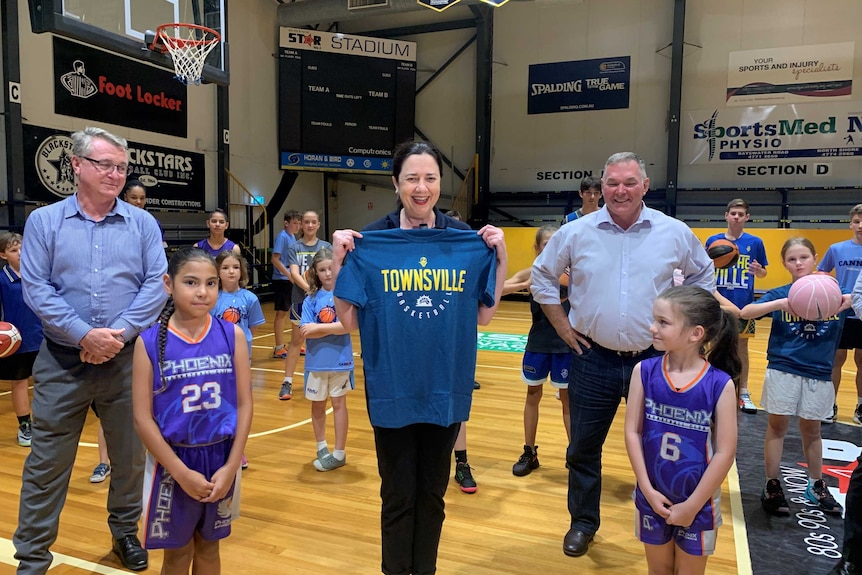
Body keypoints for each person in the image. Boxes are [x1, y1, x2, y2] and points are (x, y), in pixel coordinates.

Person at [331, 139, 507, 575]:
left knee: (432, 494)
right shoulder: (369, 242)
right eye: (412, 178)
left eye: (430, 178)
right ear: (396, 184)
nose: (421, 187)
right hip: (392, 390)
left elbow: (485, 316)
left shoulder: (465, 241)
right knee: (397, 495)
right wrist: (338, 258)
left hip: (444, 390)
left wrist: (500, 257)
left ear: (440, 185)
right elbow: (348, 321)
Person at [530, 151, 716, 558]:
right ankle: (582, 522)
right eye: (612, 183)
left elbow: (704, 274)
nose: (620, 190)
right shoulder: (577, 232)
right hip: (591, 357)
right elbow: (542, 276)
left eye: (629, 182)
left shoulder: (674, 232)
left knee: (660, 446)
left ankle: (663, 516)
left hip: (653, 363)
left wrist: (682, 329)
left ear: (645, 186)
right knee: (582, 447)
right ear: (601, 188)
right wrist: (562, 326)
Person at [16, 126, 168, 573]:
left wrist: (116, 335)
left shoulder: (142, 223)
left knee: (129, 458)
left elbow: (155, 285)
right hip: (62, 363)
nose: (115, 174)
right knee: (46, 466)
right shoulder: (44, 221)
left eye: (121, 167)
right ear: (77, 165)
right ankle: (32, 558)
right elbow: (36, 288)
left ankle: (125, 534)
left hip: (125, 362)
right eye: (105, 164)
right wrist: (84, 334)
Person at [132, 247, 252, 575]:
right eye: (191, 282)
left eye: (211, 283)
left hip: (220, 459)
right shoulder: (148, 343)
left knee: (210, 548)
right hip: (173, 462)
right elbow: (143, 418)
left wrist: (232, 465)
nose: (203, 292)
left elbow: (244, 404)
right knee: (177, 554)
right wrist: (181, 473)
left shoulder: (232, 335)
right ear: (168, 284)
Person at [624, 286, 739, 575]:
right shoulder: (644, 371)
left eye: (663, 322)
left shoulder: (720, 384)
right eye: (654, 319)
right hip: (653, 496)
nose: (653, 328)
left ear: (695, 333)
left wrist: (692, 506)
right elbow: (632, 433)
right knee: (658, 570)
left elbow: (725, 453)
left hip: (697, 502)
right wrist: (646, 489)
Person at [740, 237, 848, 517]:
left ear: (815, 258)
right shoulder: (782, 292)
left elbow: (855, 300)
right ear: (784, 263)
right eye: (791, 259)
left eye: (804, 257)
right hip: (783, 368)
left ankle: (816, 486)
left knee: (813, 431)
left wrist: (846, 302)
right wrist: (781, 304)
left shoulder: (834, 291)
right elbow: (745, 312)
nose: (798, 263)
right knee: (777, 427)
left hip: (819, 371)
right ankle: (772, 485)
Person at [506, 225, 572, 477]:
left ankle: (574, 453)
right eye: (545, 243)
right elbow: (497, 291)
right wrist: (525, 283)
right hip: (538, 344)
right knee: (532, 394)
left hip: (566, 345)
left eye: (555, 243)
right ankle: (529, 452)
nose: (550, 247)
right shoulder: (531, 272)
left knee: (568, 400)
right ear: (536, 247)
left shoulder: (571, 274)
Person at [706, 198, 768, 415]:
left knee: (742, 349)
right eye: (733, 213)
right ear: (726, 215)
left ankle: (743, 392)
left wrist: (760, 272)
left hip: (744, 305)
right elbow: (704, 271)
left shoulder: (756, 242)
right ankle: (710, 388)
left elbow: (764, 272)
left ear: (747, 218)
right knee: (713, 346)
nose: (736, 217)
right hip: (718, 305)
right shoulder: (713, 241)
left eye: (741, 214)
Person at [299, 247, 354, 471]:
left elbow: (348, 326)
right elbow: (305, 331)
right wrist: (333, 328)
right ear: (315, 273)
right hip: (316, 362)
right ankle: (321, 448)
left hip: (341, 361)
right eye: (322, 270)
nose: (328, 273)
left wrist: (319, 327)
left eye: (331, 268)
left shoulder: (344, 296)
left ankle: (339, 453)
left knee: (339, 404)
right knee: (318, 406)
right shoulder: (311, 299)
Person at [444, 209, 479, 493]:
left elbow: (485, 312)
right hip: (415, 347)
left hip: (451, 346)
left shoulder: (465, 265)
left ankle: (462, 463)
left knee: (456, 410)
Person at [279, 209, 331, 401]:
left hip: (324, 302)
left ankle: (323, 377)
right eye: (306, 222)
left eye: (313, 222)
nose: (310, 225)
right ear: (301, 224)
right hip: (301, 300)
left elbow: (332, 271)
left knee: (324, 338)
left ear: (318, 225)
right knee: (297, 340)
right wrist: (311, 290)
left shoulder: (326, 247)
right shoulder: (294, 247)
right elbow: (294, 273)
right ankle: (287, 382)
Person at [818, 203, 862, 424]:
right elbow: (821, 271)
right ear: (850, 224)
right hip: (841, 312)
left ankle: (861, 406)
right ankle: (829, 403)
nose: (860, 225)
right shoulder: (837, 248)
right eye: (857, 221)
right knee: (836, 359)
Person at [0, 231, 43, 447]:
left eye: (22, 248)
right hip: (17, 343)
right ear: (3, 255)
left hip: (43, 338)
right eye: (13, 250)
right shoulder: (2, 280)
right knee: (20, 382)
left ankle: (47, 423)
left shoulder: (38, 275)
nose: (20, 253)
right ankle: (25, 425)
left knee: (49, 382)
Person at [272, 210, 302, 358]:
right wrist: (289, 275)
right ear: (286, 223)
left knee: (294, 312)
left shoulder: (292, 237)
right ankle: (278, 347)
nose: (298, 226)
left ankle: (294, 344)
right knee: (282, 313)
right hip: (282, 280)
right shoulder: (282, 237)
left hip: (291, 279)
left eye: (299, 223)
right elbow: (275, 259)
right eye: (295, 223)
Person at [124, 179, 168, 248]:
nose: (138, 201)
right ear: (125, 197)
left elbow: (160, 251)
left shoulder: (152, 222)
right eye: (134, 197)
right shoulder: (116, 219)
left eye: (142, 198)